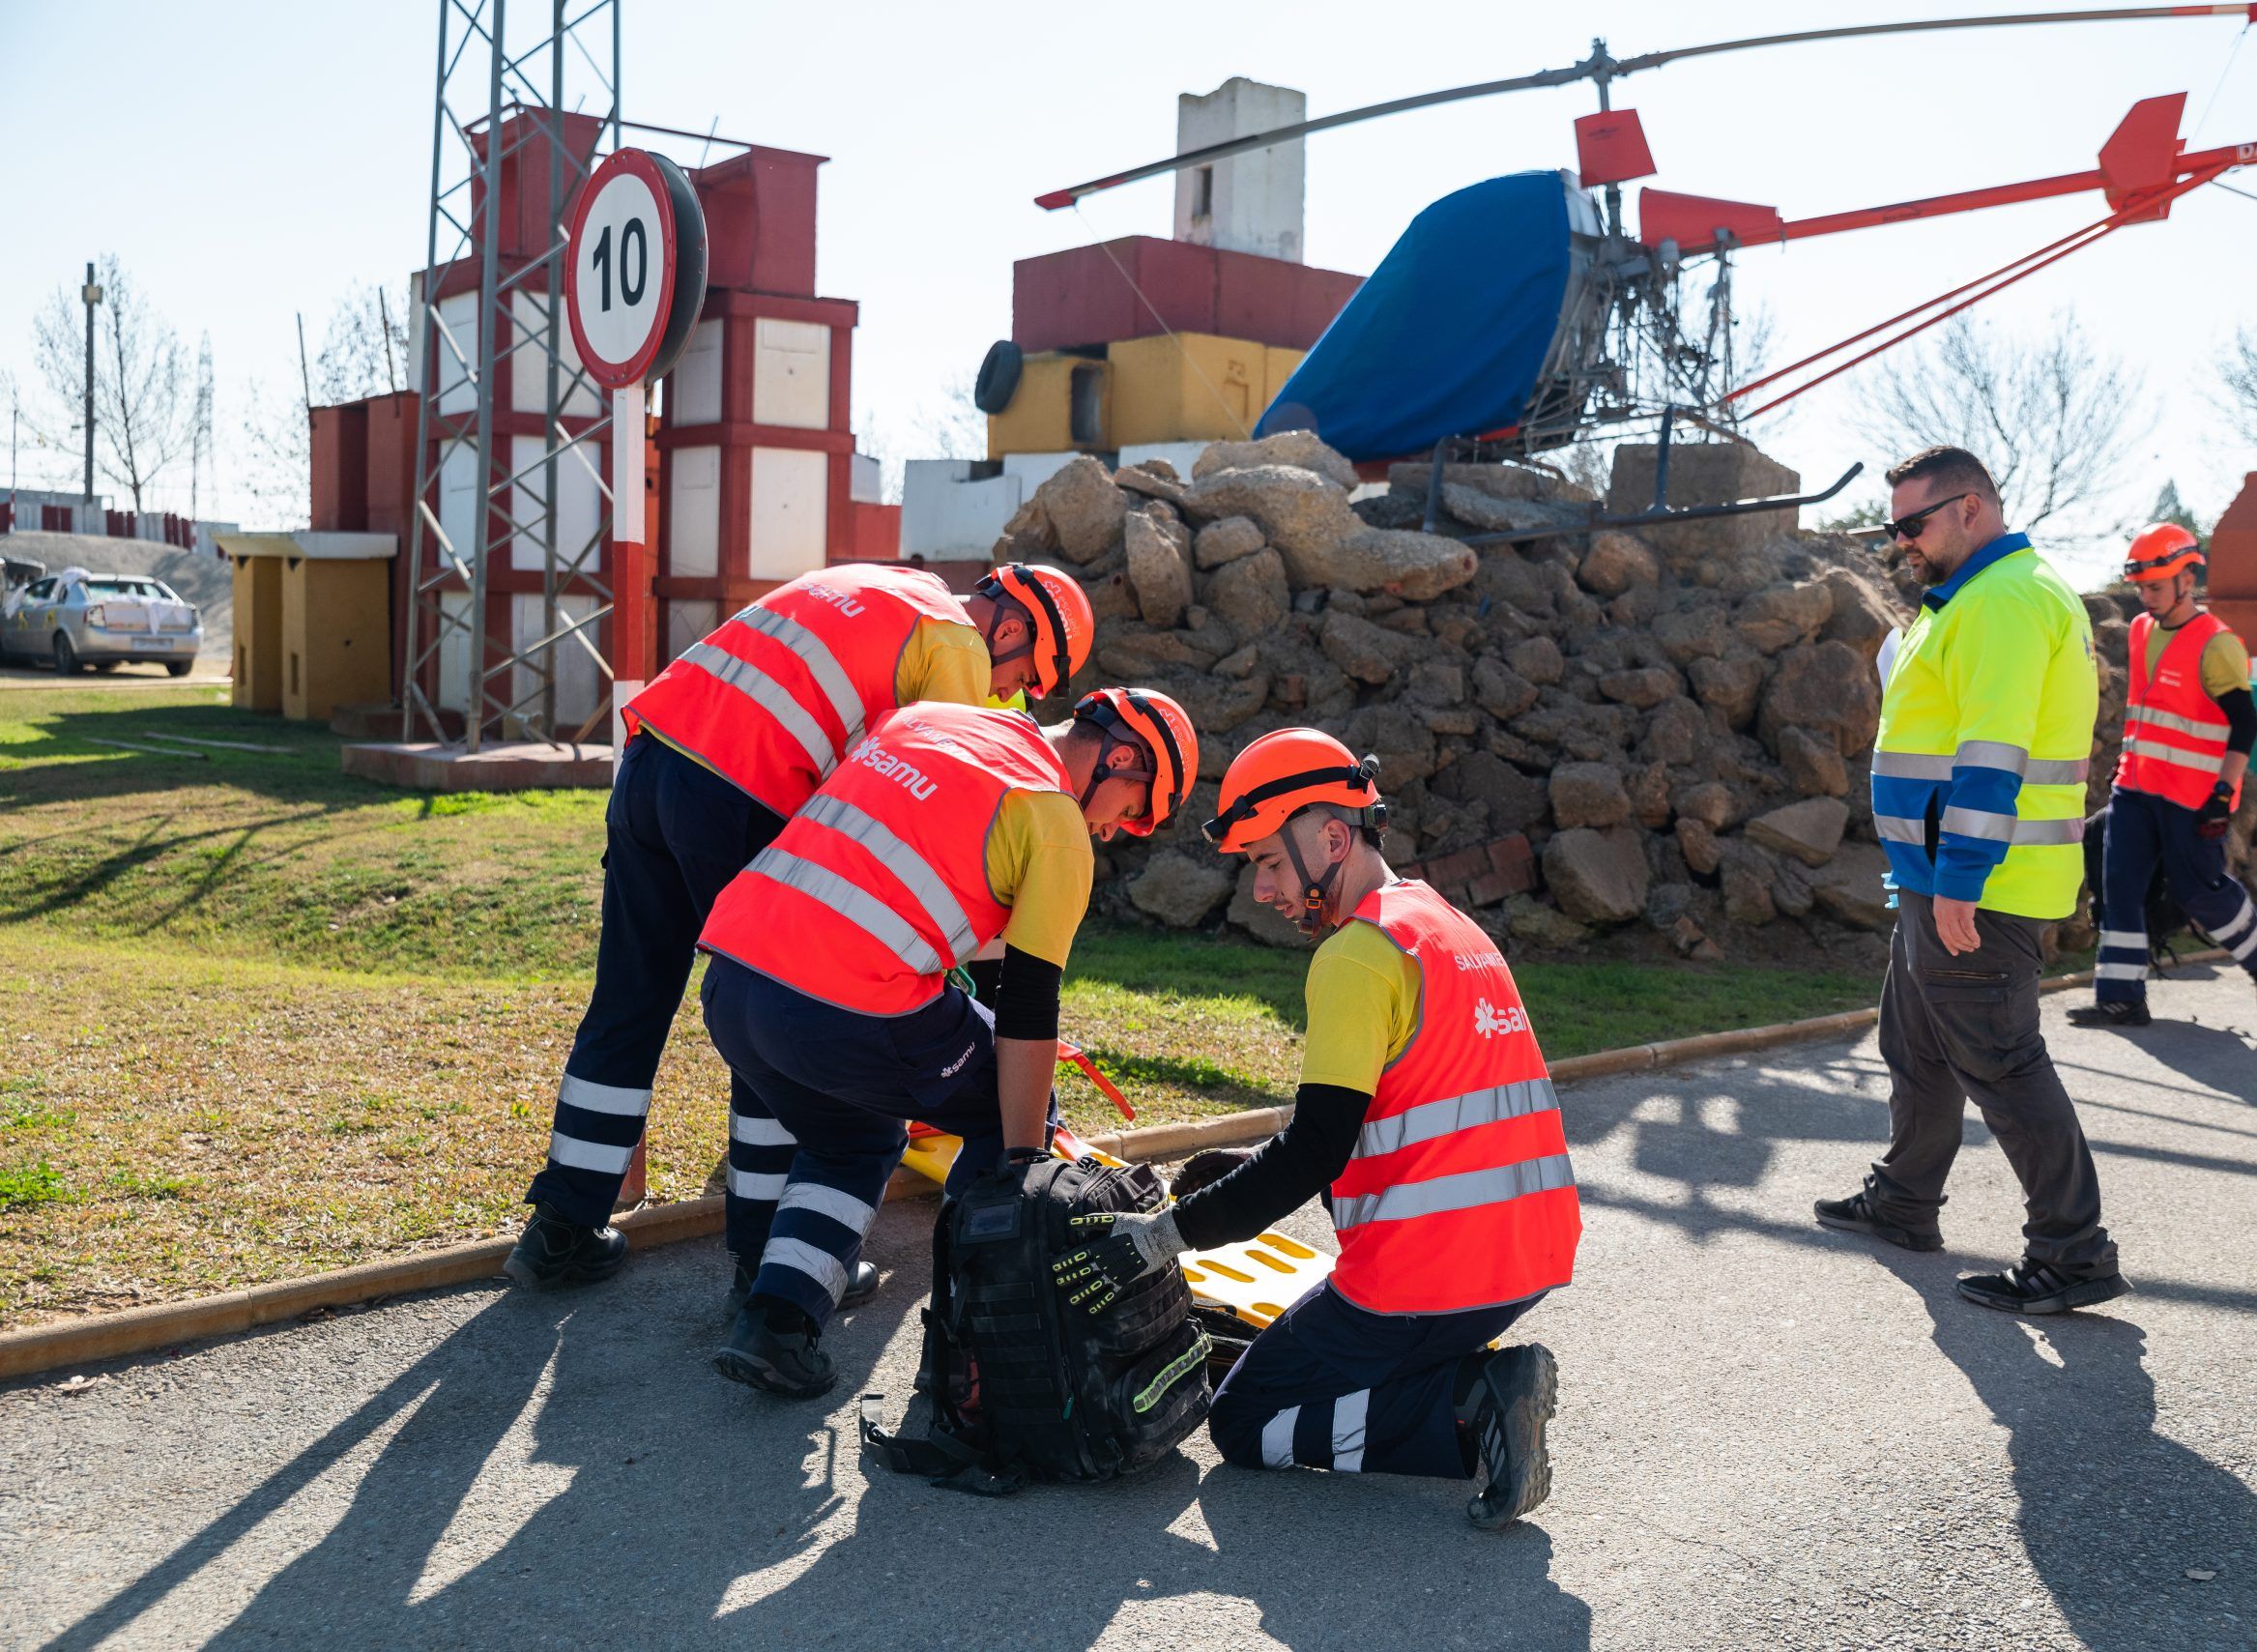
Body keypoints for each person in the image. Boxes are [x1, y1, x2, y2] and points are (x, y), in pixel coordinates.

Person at [504, 562, 1095, 1303]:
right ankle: (763, 1258)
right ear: (1009, 628)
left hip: (653, 755)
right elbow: (934, 796)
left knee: (629, 998)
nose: (1006, 699)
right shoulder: (957, 645)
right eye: (1023, 681)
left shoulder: (881, 581)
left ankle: (561, 1225)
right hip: (741, 787)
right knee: (779, 1000)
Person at [1053, 730, 1580, 1530]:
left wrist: (1163, 1237)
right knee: (1320, 1367)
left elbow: (1316, 1148)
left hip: (1427, 1278)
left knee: (1246, 1421)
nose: (1261, 889)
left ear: (1333, 837)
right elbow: (1385, 1116)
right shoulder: (1447, 927)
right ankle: (1473, 1385)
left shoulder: (1355, 954)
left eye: (1268, 861)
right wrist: (1241, 1166)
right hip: (1526, 1258)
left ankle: (1475, 1404)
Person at [699, 686, 1200, 1397]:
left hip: (733, 979)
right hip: (845, 1005)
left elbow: (986, 964)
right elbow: (1027, 1009)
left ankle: (775, 1322)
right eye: (1133, 810)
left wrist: (977, 1048)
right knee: (1012, 1110)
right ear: (1122, 757)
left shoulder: (937, 720)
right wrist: (1026, 1159)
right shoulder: (1053, 820)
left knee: (855, 1140)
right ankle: (981, 1338)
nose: (1116, 830)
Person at [1814, 446, 2125, 1314]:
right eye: (1894, 528)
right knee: (1915, 1046)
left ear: (1972, 509)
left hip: (1981, 883)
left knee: (2003, 1061)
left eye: (1914, 524)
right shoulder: (1969, 601)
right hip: (1942, 877)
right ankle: (1906, 1201)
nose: (1902, 542)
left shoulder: (2005, 601)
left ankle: (2074, 1253)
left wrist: (1960, 879)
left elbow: (1995, 756)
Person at [2070, 524, 2257, 1029]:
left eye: (2155, 587)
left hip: (2194, 799)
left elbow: (2247, 724)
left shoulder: (2218, 645)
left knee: (2201, 893)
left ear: (2188, 577)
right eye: (2141, 587)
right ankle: (2121, 998)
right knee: (2118, 887)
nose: (2145, 599)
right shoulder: (2143, 630)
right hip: (2136, 790)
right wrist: (2124, 774)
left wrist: (2221, 794)